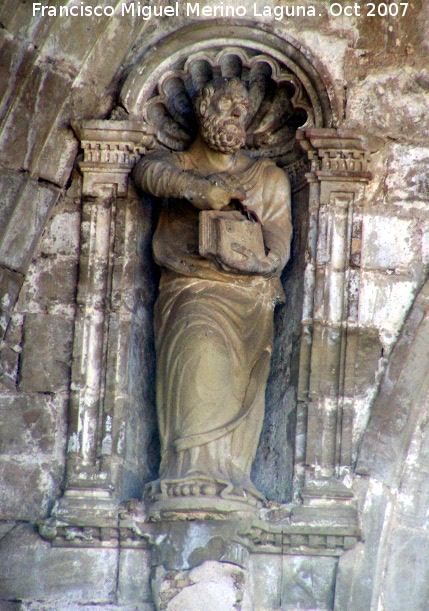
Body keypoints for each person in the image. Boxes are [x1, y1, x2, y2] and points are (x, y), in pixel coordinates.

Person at [134, 76, 292, 506]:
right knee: (199, 352)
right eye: (227, 107)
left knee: (240, 384)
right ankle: (188, 473)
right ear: (204, 112)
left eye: (243, 110)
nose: (237, 116)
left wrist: (254, 261)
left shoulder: (269, 178)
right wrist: (198, 192)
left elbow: (278, 246)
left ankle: (230, 475)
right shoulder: (179, 168)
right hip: (192, 289)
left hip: (248, 299)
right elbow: (148, 171)